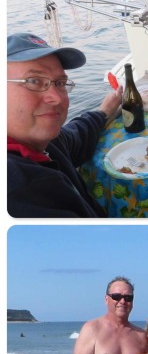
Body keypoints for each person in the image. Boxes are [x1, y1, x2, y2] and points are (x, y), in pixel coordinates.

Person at [7, 32, 122, 218]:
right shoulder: (16, 192)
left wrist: (104, 111)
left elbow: (76, 136)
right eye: (34, 81)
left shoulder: (47, 141)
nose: (57, 97)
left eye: (60, 83)